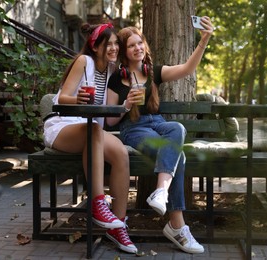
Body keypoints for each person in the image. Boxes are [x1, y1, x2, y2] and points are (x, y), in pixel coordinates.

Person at [106, 17, 214, 254]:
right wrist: (125, 105)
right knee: (179, 157)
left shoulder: (152, 72)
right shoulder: (117, 79)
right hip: (134, 129)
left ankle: (162, 191)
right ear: (125, 52)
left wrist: (203, 41)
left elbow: (187, 68)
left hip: (159, 125)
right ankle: (177, 226)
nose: (138, 48)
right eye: (132, 45)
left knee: (178, 128)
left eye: (140, 43)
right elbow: (109, 120)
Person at [43, 23, 137, 254]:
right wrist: (79, 100)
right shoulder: (84, 62)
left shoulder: (111, 71)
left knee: (121, 153)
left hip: (90, 131)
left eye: (116, 43)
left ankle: (118, 226)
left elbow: (110, 115)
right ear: (95, 46)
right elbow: (62, 98)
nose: (114, 48)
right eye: (109, 44)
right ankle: (98, 205)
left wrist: (126, 106)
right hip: (62, 127)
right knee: (94, 130)